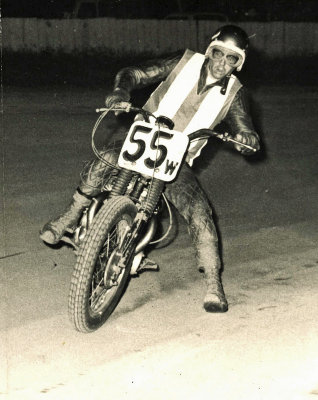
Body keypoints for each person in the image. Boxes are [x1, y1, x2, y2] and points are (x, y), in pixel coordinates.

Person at [40, 25, 260, 313]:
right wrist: (121, 91)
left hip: (177, 162)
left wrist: (246, 139)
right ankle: (70, 216)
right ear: (210, 51)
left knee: (201, 214)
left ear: (238, 64)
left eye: (231, 59)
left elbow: (247, 130)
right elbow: (135, 73)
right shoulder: (183, 62)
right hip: (142, 139)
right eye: (218, 54)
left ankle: (213, 284)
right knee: (104, 158)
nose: (222, 64)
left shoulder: (236, 93)